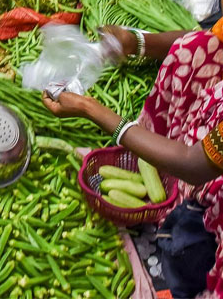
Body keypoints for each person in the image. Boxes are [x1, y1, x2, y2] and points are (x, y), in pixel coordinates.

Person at [43, 26, 223, 297]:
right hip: (201, 154)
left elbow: (193, 165)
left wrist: (90, 109)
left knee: (187, 253)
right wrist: (136, 42)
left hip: (197, 166)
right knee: (199, 45)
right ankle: (177, 178)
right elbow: (215, 35)